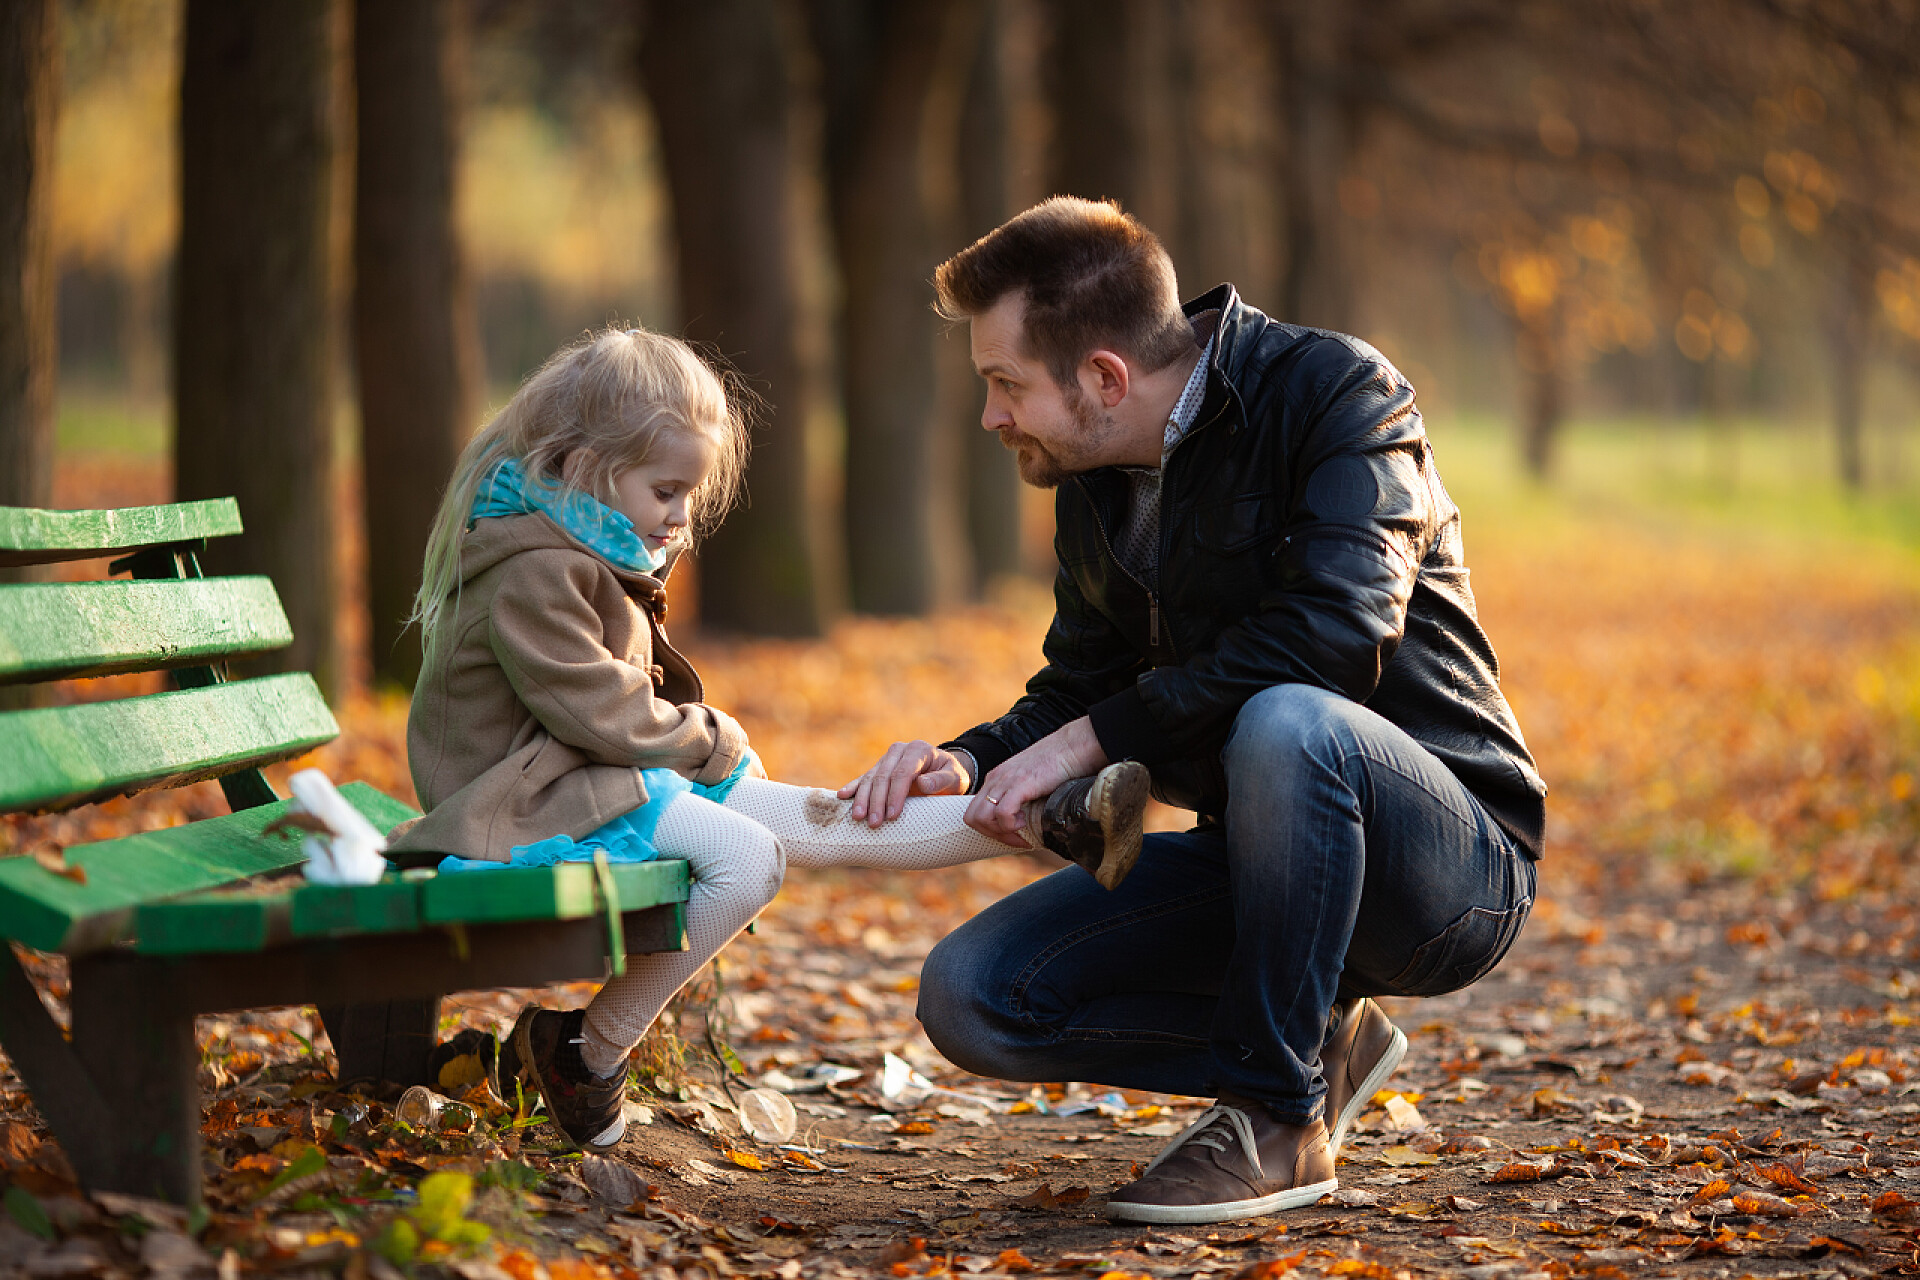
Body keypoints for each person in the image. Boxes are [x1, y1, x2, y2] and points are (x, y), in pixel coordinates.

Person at [841, 198, 1548, 1225]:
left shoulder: (1339, 394)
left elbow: (1337, 638)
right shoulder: (1092, 480)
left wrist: (1094, 741)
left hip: (1449, 865)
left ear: (1104, 377)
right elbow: (1080, 686)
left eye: (1004, 385)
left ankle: (1272, 1117)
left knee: (1289, 721)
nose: (992, 417)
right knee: (973, 993)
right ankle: (1313, 1045)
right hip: (1258, 861)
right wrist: (969, 761)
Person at [389, 325, 1151, 1153]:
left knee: (814, 819)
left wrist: (700, 748)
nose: (680, 516)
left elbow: (605, 722)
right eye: (665, 490)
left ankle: (1043, 818)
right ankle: (586, 1050)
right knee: (752, 858)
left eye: (688, 493)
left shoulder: (579, 544)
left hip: (590, 777)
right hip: (524, 798)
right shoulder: (537, 569)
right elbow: (599, 712)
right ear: (584, 469)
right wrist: (712, 740)